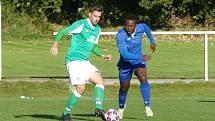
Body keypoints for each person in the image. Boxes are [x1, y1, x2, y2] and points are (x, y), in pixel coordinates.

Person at [50, 4, 111, 121]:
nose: (97, 19)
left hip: (84, 62)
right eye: (95, 16)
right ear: (89, 14)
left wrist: (103, 55)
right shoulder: (81, 24)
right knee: (81, 88)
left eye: (99, 16)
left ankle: (99, 109)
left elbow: (93, 46)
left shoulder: (98, 29)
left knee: (101, 82)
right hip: (73, 61)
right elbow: (61, 33)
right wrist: (55, 44)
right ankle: (66, 113)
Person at [116, 14, 156, 119]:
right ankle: (121, 108)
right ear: (124, 25)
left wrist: (152, 41)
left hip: (138, 62)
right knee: (125, 87)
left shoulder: (141, 27)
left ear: (136, 25)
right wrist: (140, 57)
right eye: (127, 26)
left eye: (132, 26)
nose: (129, 28)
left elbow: (147, 28)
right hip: (125, 63)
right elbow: (124, 54)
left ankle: (147, 106)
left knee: (143, 78)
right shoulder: (120, 35)